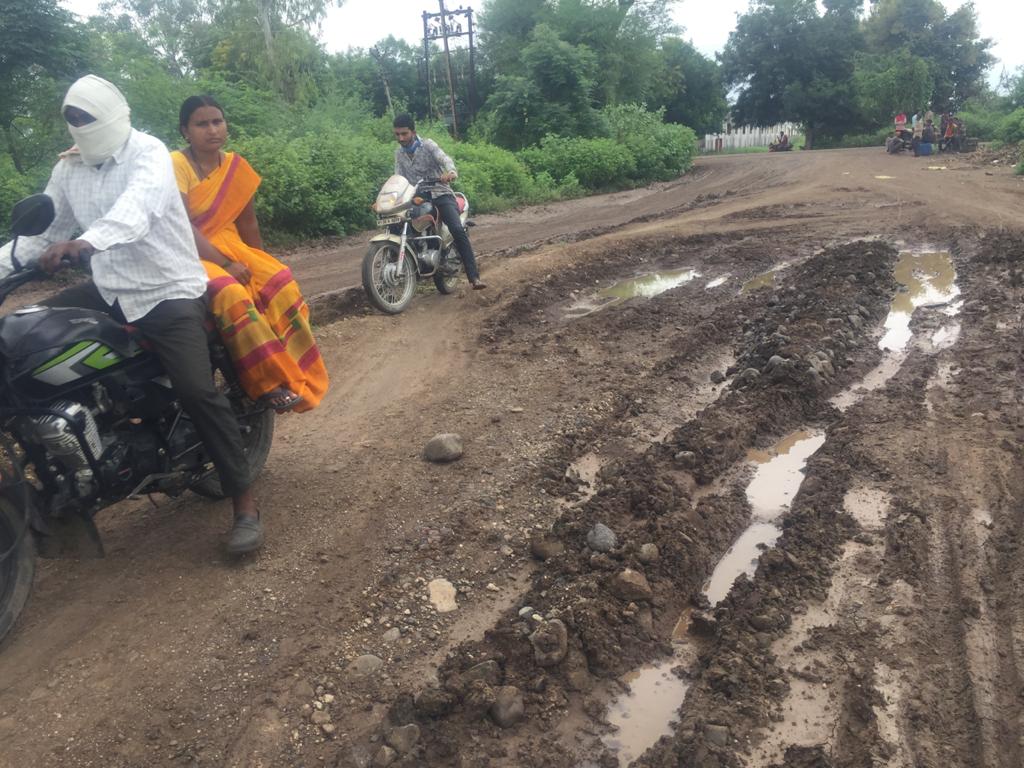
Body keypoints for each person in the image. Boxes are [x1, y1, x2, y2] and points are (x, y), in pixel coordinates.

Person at [0, 75, 264, 554]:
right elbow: (39, 237)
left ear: (111, 115)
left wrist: (86, 242)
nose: (80, 123)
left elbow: (134, 212)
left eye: (86, 116)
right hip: (108, 289)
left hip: (166, 289)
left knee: (196, 390)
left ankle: (244, 503)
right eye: (73, 118)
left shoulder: (149, 153)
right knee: (24, 345)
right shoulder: (69, 167)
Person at [171, 95, 328, 414]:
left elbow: (248, 223)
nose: (212, 130)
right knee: (232, 294)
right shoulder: (176, 163)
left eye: (217, 121)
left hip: (230, 242)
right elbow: (181, 225)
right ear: (185, 131)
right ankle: (268, 381)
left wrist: (259, 266)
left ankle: (293, 363)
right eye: (201, 124)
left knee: (279, 280)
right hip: (189, 250)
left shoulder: (235, 166)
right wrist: (226, 263)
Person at [391, 113, 485, 289]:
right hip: (418, 198)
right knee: (398, 224)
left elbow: (444, 158)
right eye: (397, 134)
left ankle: (474, 277)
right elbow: (398, 178)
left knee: (456, 229)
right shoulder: (399, 153)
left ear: (413, 132)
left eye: (404, 134)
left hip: (440, 193)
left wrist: (451, 172)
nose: (401, 138)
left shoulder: (428, 145)